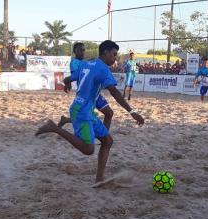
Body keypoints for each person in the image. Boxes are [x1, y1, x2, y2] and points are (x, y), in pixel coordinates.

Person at [36, 40, 145, 184]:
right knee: (88, 149)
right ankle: (54, 128)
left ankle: (99, 179)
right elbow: (115, 93)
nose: (115, 58)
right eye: (114, 54)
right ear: (105, 53)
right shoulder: (103, 69)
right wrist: (132, 111)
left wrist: (67, 84)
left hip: (85, 109)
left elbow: (68, 78)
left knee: (107, 140)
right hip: (81, 110)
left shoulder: (86, 64)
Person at [58, 42, 115, 130]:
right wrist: (68, 83)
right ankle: (105, 138)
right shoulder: (74, 63)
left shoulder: (85, 62)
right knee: (86, 117)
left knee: (108, 113)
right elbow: (75, 76)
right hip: (85, 94)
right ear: (74, 51)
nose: (82, 52)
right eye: (80, 50)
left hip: (94, 93)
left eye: (84, 50)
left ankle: (105, 136)